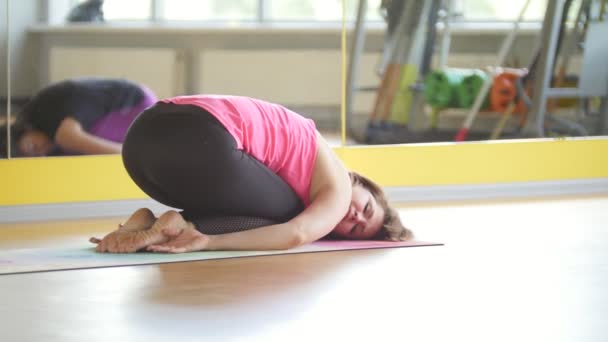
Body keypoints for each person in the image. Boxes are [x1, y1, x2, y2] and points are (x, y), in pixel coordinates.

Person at [90, 95, 413, 253]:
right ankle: (181, 227)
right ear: (360, 183)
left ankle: (149, 223)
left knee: (281, 212)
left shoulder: (299, 162)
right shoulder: (339, 186)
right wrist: (209, 243)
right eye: (366, 208)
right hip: (196, 139)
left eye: (354, 229)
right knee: (288, 218)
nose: (353, 215)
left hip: (141, 147)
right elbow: (298, 234)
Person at [13, 77, 157, 157]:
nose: (40, 152)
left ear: (26, 129)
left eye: (32, 146)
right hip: (124, 116)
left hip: (135, 105)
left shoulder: (46, 114)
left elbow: (70, 138)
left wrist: (132, 157)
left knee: (69, 144)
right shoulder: (45, 139)